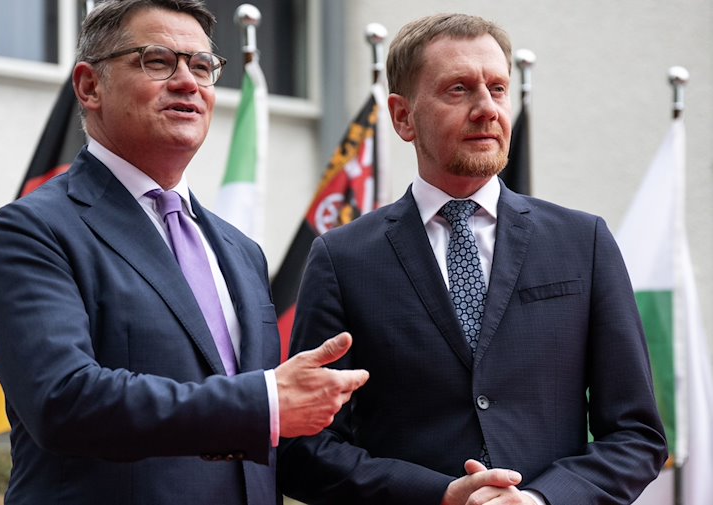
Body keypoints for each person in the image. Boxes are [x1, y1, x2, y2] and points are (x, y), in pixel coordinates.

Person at [0, 1, 369, 503]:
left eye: (202, 66)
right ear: (89, 86)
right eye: (158, 60)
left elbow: (281, 445)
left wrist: (441, 493)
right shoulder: (33, 231)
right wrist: (265, 400)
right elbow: (63, 400)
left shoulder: (240, 250)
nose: (188, 81)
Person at [278, 13, 667, 505]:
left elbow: (637, 436)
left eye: (498, 88)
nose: (487, 109)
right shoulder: (342, 258)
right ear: (402, 117)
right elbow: (303, 449)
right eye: (459, 90)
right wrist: (439, 496)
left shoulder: (582, 242)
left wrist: (542, 501)